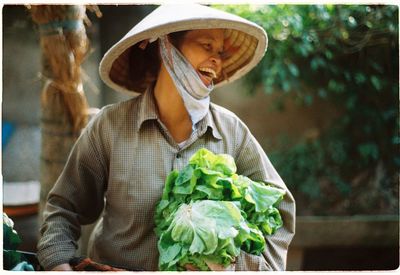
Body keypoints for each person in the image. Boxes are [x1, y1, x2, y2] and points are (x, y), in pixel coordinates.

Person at [37, 3, 296, 271]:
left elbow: (280, 209)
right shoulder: (110, 126)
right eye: (207, 46)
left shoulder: (232, 133)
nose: (217, 61)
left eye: (220, 52)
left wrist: (242, 267)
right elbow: (63, 209)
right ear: (166, 47)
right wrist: (58, 264)